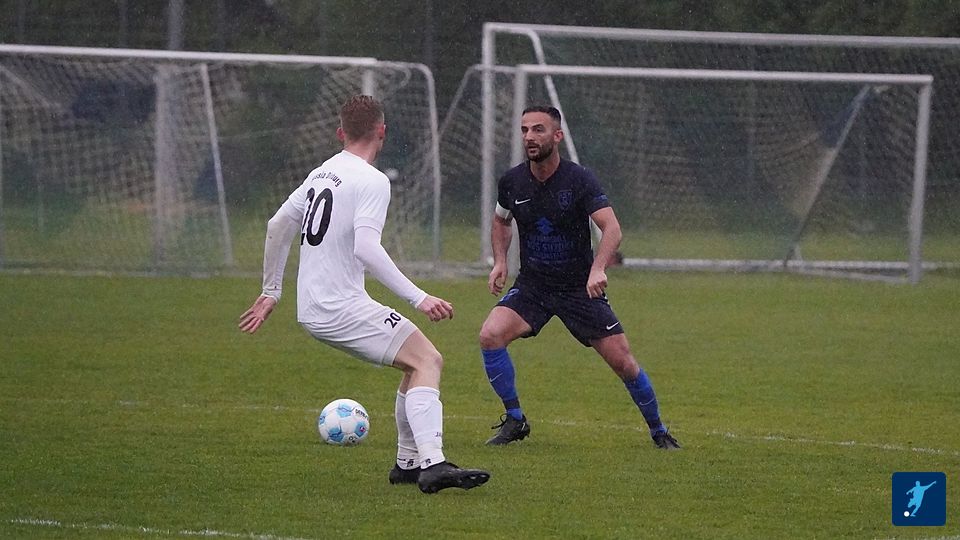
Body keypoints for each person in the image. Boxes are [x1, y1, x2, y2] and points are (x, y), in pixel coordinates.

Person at [239, 95, 490, 494]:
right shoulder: (372, 180)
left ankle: (408, 464)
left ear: (341, 133)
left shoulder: (321, 173)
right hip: (339, 306)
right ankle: (433, 464)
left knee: (417, 362)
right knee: (428, 360)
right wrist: (419, 297)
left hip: (315, 306)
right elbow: (367, 249)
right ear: (382, 131)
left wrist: (271, 291)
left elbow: (277, 225)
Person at [478, 105, 680, 450]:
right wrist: (500, 262)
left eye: (538, 129)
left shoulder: (579, 180)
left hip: (578, 289)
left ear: (557, 136)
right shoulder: (512, 181)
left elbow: (611, 228)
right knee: (490, 335)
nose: (529, 137)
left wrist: (598, 268)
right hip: (533, 286)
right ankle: (515, 418)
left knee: (622, 360)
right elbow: (501, 220)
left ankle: (659, 430)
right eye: (525, 130)